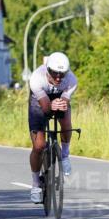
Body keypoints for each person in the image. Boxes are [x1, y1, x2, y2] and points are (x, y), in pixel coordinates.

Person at [28, 51, 77, 204]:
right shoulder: (36, 78)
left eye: (62, 75)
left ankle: (65, 154)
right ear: (47, 70)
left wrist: (61, 103)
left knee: (67, 124)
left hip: (58, 97)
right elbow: (46, 109)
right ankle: (36, 184)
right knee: (39, 146)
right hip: (39, 101)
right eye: (54, 74)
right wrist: (51, 106)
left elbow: (64, 102)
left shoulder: (71, 80)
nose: (58, 78)